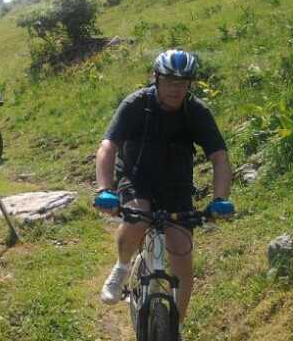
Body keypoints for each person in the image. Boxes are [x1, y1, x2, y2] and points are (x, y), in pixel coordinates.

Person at [94, 49, 234, 328]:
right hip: (136, 177)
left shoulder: (196, 111)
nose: (176, 88)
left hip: (176, 185)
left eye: (183, 82)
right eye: (170, 80)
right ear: (156, 78)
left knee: (181, 251)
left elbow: (219, 157)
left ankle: (176, 327)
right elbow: (108, 147)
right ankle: (122, 268)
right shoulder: (136, 104)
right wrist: (104, 190)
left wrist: (221, 199)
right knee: (136, 216)